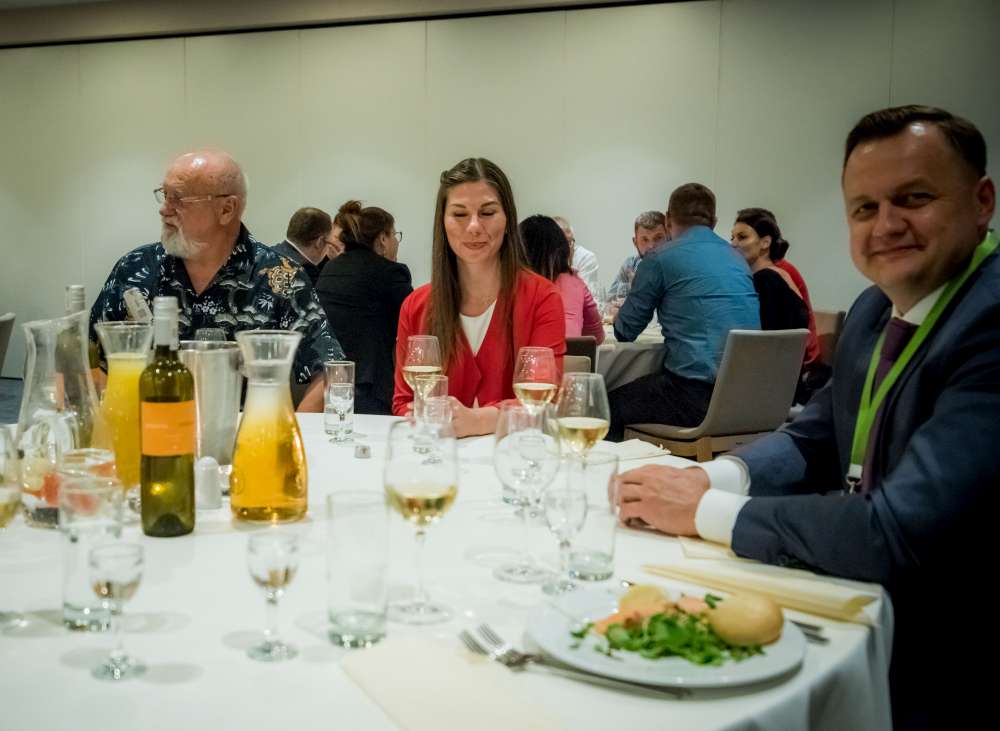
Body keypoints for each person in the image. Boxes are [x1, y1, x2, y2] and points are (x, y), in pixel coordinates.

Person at [615, 105, 998, 729]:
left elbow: (895, 534)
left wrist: (705, 511)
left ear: (982, 202)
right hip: (860, 595)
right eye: (865, 208)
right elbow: (814, 434)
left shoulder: (989, 321)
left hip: (941, 654)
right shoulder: (876, 308)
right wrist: (710, 476)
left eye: (915, 198)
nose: (886, 224)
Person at [90, 149, 343, 412]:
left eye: (178, 198)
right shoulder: (136, 268)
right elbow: (89, 358)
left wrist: (290, 431)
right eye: (165, 195)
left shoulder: (280, 277)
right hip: (152, 430)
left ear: (226, 209)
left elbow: (331, 371)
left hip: (244, 432)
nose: (164, 210)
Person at [393, 158, 566, 436]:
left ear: (508, 220)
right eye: (459, 214)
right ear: (443, 223)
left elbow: (544, 400)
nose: (474, 226)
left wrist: (478, 420)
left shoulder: (542, 298)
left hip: (514, 455)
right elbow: (404, 402)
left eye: (487, 212)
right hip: (440, 453)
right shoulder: (416, 306)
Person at [606, 183, 760, 440]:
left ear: (668, 221)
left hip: (695, 397)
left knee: (601, 407)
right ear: (714, 221)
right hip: (746, 397)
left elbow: (625, 331)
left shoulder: (659, 259)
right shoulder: (737, 259)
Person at [315, 201, 413, 415]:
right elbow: (414, 323)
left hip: (330, 381)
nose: (396, 242)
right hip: (373, 386)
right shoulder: (390, 273)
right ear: (383, 239)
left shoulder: (329, 269)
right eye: (395, 235)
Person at [731, 207, 828, 402]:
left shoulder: (765, 281)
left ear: (765, 242)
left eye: (742, 237)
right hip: (786, 383)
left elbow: (764, 345)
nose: (733, 244)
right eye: (732, 237)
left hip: (770, 391)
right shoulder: (780, 274)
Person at [520, 214, 604, 343]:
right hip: (571, 355)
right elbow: (596, 336)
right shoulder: (575, 282)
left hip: (530, 355)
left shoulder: (512, 286)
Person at [607, 210, 669, 299]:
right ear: (635, 243)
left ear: (669, 238)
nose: (651, 246)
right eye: (645, 239)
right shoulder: (630, 265)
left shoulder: (679, 267)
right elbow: (611, 301)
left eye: (658, 238)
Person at [554, 215, 601, 299]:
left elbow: (581, 298)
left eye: (569, 242)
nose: (567, 248)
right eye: (561, 243)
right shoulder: (541, 260)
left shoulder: (585, 257)